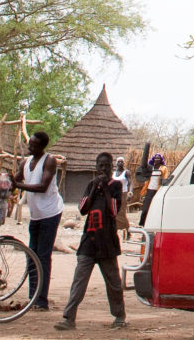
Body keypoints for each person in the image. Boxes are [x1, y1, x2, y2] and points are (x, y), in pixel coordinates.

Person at [55, 152, 126, 330]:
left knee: (113, 283)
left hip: (107, 242)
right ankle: (68, 318)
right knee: (79, 281)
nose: (104, 169)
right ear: (96, 167)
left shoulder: (116, 186)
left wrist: (106, 188)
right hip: (89, 241)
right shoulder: (91, 185)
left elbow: (114, 210)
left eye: (107, 166)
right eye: (101, 166)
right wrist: (95, 187)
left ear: (111, 167)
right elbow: (82, 209)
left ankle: (119, 316)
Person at [17, 132, 62, 311]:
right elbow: (15, 179)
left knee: (42, 256)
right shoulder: (25, 163)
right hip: (36, 215)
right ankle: (33, 296)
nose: (30, 147)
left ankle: (41, 300)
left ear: (42, 147)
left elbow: (43, 187)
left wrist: (17, 185)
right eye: (29, 144)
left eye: (34, 145)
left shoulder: (49, 160)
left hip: (50, 213)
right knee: (32, 254)